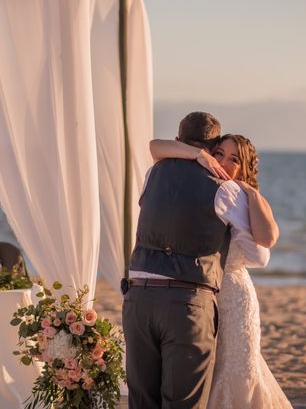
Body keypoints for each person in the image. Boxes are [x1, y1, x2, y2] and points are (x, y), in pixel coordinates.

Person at [122, 111, 275, 409]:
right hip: (187, 303)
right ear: (211, 149)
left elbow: (156, 147)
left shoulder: (153, 174)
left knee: (142, 402)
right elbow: (263, 247)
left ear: (180, 141)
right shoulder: (225, 189)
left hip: (138, 297)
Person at [150, 133, 292, 409]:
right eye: (219, 154)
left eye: (234, 159)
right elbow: (155, 147)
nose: (224, 163)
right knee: (206, 373)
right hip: (201, 294)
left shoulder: (240, 197)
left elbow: (266, 245)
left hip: (234, 298)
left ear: (244, 167)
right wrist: (198, 155)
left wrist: (250, 192)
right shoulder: (205, 186)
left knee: (237, 371)